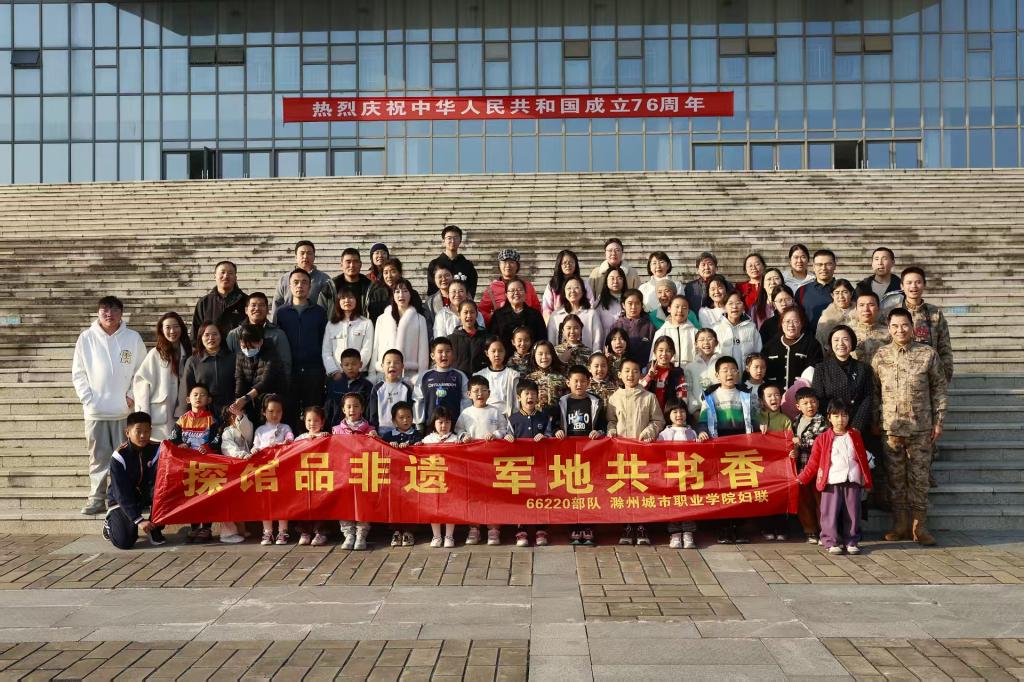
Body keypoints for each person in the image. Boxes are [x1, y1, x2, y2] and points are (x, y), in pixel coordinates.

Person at [872, 307, 948, 546]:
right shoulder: (880, 355)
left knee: (919, 478)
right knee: (895, 479)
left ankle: (919, 527)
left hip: (920, 428)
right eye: (895, 326)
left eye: (904, 325)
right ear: (888, 328)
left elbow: (939, 389)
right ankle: (900, 525)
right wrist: (876, 421)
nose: (900, 330)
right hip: (891, 429)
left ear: (912, 327)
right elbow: (874, 392)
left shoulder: (927, 354)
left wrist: (939, 421)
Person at [73, 296, 147, 515]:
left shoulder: (132, 338)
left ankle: (123, 497)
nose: (109, 314)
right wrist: (88, 399)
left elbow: (142, 370)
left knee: (125, 457)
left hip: (123, 411)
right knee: (98, 457)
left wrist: (132, 395)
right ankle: (96, 498)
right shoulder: (86, 338)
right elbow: (78, 373)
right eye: (105, 309)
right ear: (98, 313)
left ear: (121, 313)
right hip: (95, 411)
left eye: (114, 310)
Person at [696, 356, 759, 544]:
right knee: (722, 488)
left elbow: (753, 420)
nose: (729, 373)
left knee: (740, 488)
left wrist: (760, 428)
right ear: (717, 375)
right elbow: (702, 421)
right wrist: (701, 432)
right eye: (725, 370)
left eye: (733, 370)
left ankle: (738, 529)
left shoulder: (746, 395)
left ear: (738, 373)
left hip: (741, 448)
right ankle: (723, 529)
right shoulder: (710, 396)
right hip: (719, 447)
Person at [797, 400, 873, 555]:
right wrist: (803, 477)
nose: (840, 419)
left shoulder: (855, 436)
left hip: (852, 480)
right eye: (836, 416)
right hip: (831, 482)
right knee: (829, 513)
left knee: (853, 513)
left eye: (844, 415)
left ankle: (851, 541)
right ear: (829, 417)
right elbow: (814, 462)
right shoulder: (823, 438)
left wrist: (867, 480)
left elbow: (862, 459)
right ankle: (830, 541)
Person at [606, 357, 665, 546]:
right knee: (624, 489)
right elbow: (611, 420)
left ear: (641, 374)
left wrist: (648, 432)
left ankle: (642, 525)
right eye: (627, 371)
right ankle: (626, 525)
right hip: (621, 452)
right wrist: (611, 430)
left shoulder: (649, 397)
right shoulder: (614, 398)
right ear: (619, 374)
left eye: (635, 371)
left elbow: (658, 421)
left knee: (642, 488)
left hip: (642, 452)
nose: (630, 375)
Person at [456, 375, 509, 545]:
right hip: (472, 462)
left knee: (493, 494)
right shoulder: (466, 413)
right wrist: (464, 436)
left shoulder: (495, 412)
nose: (480, 394)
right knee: (474, 495)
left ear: (489, 393)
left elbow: (505, 429)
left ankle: (493, 528)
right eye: (476, 391)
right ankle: (474, 528)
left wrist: (495, 434)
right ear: (469, 394)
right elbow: (458, 431)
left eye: (483, 390)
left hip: (492, 461)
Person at [507, 379, 560, 548]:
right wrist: (507, 437)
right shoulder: (513, 419)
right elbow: (506, 435)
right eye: (526, 394)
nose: (530, 397)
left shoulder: (544, 417)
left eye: (533, 394)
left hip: (540, 466)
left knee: (540, 496)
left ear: (538, 397)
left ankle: (541, 529)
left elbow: (550, 435)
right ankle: (521, 529)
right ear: (519, 397)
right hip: (520, 467)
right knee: (521, 497)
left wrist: (545, 437)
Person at [274, 268, 328, 430]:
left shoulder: (319, 312)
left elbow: (324, 341)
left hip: (314, 371)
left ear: (310, 286)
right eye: (296, 282)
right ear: (289, 286)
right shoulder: (281, 313)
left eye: (304, 282)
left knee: (313, 413)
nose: (300, 286)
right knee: (289, 413)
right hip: (289, 372)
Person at [102, 412, 164, 549]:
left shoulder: (159, 449)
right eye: (138, 431)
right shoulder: (119, 456)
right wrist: (138, 520)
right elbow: (121, 493)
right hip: (123, 498)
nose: (143, 435)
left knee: (166, 490)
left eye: (146, 431)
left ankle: (155, 529)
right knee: (125, 542)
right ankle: (109, 523)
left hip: (146, 494)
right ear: (127, 433)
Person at [558, 365, 605, 547]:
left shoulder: (596, 402)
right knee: (571, 491)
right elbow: (554, 424)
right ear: (568, 382)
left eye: (583, 381)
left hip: (590, 454)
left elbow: (603, 425)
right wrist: (556, 432)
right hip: (568, 454)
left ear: (588, 382)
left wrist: (599, 432)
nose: (579, 384)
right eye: (575, 381)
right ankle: (574, 527)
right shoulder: (562, 402)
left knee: (590, 490)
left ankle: (589, 526)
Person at [171, 384, 222, 543]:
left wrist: (208, 447)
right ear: (188, 399)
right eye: (195, 394)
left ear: (209, 400)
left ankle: (206, 528)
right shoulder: (182, 419)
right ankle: (194, 528)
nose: (198, 397)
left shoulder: (211, 419)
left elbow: (218, 439)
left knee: (206, 496)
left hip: (206, 464)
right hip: (188, 465)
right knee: (191, 496)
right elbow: (173, 438)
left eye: (202, 394)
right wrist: (180, 444)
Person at [133, 312, 191, 441]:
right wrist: (143, 415)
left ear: (182, 328)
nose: (172, 331)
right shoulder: (155, 354)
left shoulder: (189, 351)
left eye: (176, 327)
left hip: (185, 409)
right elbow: (142, 383)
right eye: (168, 327)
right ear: (161, 330)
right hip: (162, 412)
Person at [898, 266, 954, 385]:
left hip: (930, 376)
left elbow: (944, 347)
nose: (913, 286)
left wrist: (945, 375)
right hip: (900, 377)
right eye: (909, 283)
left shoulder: (935, 313)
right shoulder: (893, 313)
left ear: (924, 285)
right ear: (902, 286)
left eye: (918, 282)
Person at [812, 325, 874, 434]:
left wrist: (857, 426)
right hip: (831, 427)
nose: (840, 343)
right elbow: (818, 399)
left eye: (845, 339)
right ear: (830, 343)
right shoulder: (821, 368)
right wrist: (834, 423)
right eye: (836, 340)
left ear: (852, 342)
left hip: (857, 426)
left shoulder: (863, 368)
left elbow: (868, 398)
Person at [253, 394, 295, 546]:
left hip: (281, 470)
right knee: (266, 502)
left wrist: (286, 441)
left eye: (278, 411)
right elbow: (255, 447)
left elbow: (290, 439)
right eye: (271, 411)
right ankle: (267, 532)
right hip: (265, 472)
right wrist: (254, 451)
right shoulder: (260, 430)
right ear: (264, 412)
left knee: (282, 501)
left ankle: (283, 532)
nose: (275, 414)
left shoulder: (285, 428)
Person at [789, 386, 828, 544]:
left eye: (813, 402)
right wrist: (793, 450)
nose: (810, 406)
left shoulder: (823, 421)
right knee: (803, 500)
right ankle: (810, 530)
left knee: (821, 500)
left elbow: (821, 443)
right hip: (801, 467)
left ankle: (824, 531)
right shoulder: (796, 421)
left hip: (818, 468)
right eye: (805, 403)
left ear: (818, 403)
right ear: (798, 406)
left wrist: (800, 443)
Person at [371, 278, 429, 385]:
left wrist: (421, 375)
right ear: (393, 295)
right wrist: (372, 374)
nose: (401, 295)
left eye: (405, 291)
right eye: (397, 291)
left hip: (409, 376)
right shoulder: (382, 319)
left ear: (410, 294)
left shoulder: (419, 319)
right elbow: (375, 347)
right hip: (384, 374)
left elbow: (423, 350)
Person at [381, 401, 423, 548]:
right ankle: (396, 530)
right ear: (394, 420)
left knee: (411, 503)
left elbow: (421, 449)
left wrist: (411, 446)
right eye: (401, 417)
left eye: (409, 417)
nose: (406, 420)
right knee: (394, 503)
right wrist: (389, 446)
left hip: (411, 477)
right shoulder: (388, 436)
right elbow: (381, 451)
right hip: (394, 478)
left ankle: (409, 531)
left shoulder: (416, 435)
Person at [659, 398, 698, 550]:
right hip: (672, 476)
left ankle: (688, 532)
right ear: (668, 414)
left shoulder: (692, 432)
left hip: (689, 476)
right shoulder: (664, 434)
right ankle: (675, 533)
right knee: (673, 503)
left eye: (682, 411)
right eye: (675, 412)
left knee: (689, 503)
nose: (679, 415)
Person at [226, 292, 292, 378]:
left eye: (261, 305)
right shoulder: (234, 335)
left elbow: (285, 365)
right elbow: (228, 364)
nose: (257, 308)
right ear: (246, 310)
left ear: (267, 310)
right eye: (253, 305)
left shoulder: (278, 335)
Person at [230, 323, 284, 425]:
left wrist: (246, 398)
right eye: (243, 346)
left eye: (251, 347)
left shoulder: (272, 354)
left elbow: (265, 382)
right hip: (251, 402)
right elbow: (239, 379)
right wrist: (238, 401)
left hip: (270, 400)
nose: (247, 350)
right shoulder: (240, 355)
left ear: (261, 342)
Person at [421, 406, 460, 548]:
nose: (444, 426)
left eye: (447, 422)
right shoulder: (427, 439)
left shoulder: (455, 439)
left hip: (451, 480)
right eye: (440, 422)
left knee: (451, 507)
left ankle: (449, 536)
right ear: (434, 423)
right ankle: (436, 536)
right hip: (433, 479)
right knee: (434, 507)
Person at [180, 321, 235, 419]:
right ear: (200, 338)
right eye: (207, 335)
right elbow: (187, 389)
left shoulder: (233, 358)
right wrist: (186, 416)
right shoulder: (193, 361)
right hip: (202, 414)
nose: (211, 338)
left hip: (230, 411)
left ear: (221, 336)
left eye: (215, 334)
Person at [294, 406, 331, 547]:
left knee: (321, 504)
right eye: (309, 420)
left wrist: (322, 438)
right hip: (304, 477)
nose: (312, 423)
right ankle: (305, 532)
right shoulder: (300, 438)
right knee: (303, 504)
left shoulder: (326, 436)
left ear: (322, 422)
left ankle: (321, 532)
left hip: (321, 477)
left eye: (316, 420)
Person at [415, 337, 470, 429]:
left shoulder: (460, 376)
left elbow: (466, 401)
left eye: (448, 351)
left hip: (455, 427)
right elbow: (418, 401)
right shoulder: (425, 376)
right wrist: (419, 425)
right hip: (430, 427)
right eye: (440, 352)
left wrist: (464, 424)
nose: (444, 355)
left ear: (452, 354)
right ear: (432, 356)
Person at [217, 405, 253, 544]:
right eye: (235, 415)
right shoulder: (227, 432)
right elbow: (228, 448)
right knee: (229, 501)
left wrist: (240, 416)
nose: (239, 416)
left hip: (244, 470)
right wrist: (242, 455)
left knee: (241, 502)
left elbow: (247, 430)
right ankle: (227, 533)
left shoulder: (245, 429)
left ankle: (240, 529)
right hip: (232, 471)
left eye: (242, 413)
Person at [763, 306, 823, 390]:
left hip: (801, 395)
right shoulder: (770, 346)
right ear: (782, 323)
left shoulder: (812, 345)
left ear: (801, 323)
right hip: (775, 395)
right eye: (787, 321)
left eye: (795, 321)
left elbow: (816, 371)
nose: (791, 325)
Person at [272, 240, 335, 317]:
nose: (305, 256)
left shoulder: (324, 279)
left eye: (309, 253)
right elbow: (277, 304)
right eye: (302, 253)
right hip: (287, 322)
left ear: (314, 257)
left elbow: (330, 306)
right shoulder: (284, 279)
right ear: (296, 257)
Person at [477, 249, 542, 323]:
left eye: (512, 262)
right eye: (504, 262)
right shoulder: (492, 288)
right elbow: (481, 310)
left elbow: (537, 308)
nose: (508, 265)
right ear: (499, 265)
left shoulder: (527, 286)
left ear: (517, 266)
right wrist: (494, 318)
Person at [191, 260, 247, 345]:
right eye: (222, 272)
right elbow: (196, 331)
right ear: (215, 276)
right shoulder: (204, 302)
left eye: (230, 273)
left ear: (236, 278)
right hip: (211, 351)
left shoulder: (246, 301)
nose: (226, 276)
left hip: (238, 351)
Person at [489, 277, 547, 356]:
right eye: (512, 290)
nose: (516, 293)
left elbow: (542, 339)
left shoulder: (535, 314)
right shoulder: (498, 315)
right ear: (506, 294)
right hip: (504, 359)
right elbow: (492, 340)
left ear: (525, 293)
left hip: (531, 358)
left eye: (520, 290)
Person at [547, 275, 604, 351]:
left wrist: (595, 356)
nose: (572, 291)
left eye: (576, 287)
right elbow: (551, 343)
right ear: (564, 292)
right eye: (569, 288)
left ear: (583, 292)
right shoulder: (555, 316)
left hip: (587, 357)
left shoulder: (591, 314)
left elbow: (598, 342)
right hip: (561, 358)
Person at [366, 350, 415, 433]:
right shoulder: (377, 388)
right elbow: (373, 413)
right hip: (382, 432)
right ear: (382, 366)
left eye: (396, 363)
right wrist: (373, 429)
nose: (392, 365)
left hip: (402, 432)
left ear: (402, 366)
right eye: (388, 362)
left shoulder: (406, 388)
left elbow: (411, 411)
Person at [542, 249, 595, 322]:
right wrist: (551, 324)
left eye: (571, 262)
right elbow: (547, 308)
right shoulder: (552, 285)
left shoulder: (583, 283)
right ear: (559, 265)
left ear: (576, 264)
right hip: (558, 323)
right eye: (564, 263)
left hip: (581, 322)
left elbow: (591, 303)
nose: (568, 265)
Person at [714, 291, 763, 370]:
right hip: (727, 373)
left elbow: (758, 350)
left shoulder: (751, 327)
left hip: (747, 373)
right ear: (724, 307)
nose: (734, 306)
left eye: (738, 303)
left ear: (743, 307)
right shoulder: (718, 328)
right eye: (730, 303)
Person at [427, 224, 478, 298]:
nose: (453, 241)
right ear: (443, 241)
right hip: (440, 303)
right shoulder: (434, 264)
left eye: (456, 238)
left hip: (461, 302)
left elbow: (471, 289)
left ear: (460, 241)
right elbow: (431, 289)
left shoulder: (467, 265)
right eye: (449, 238)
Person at [474, 335, 520, 417]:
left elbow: (516, 403)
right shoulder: (479, 375)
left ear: (505, 352)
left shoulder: (513, 375)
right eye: (493, 351)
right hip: (484, 416)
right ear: (487, 353)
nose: (497, 354)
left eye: (500, 351)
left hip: (506, 418)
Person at [641, 337, 687, 411]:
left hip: (669, 413)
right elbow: (639, 390)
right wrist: (649, 377)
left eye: (668, 351)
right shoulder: (645, 370)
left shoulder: (678, 372)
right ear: (654, 352)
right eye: (661, 350)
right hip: (649, 412)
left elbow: (682, 395)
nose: (664, 354)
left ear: (673, 354)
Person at [684, 328, 721, 419]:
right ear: (696, 344)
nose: (706, 342)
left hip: (721, 411)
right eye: (701, 340)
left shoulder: (723, 363)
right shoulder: (690, 367)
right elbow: (688, 391)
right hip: (699, 413)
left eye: (709, 339)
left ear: (716, 342)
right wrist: (695, 411)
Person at [797, 249, 839, 329]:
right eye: (819, 264)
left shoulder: (844, 290)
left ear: (834, 265)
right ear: (814, 267)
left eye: (828, 264)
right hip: (810, 336)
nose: (823, 268)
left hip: (838, 336)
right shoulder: (802, 291)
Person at [651, 295, 697, 367]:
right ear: (669, 309)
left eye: (684, 308)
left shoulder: (694, 332)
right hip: (668, 372)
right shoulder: (661, 332)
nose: (680, 310)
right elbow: (654, 358)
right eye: (677, 307)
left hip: (690, 371)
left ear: (688, 311)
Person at [611, 289, 655, 365]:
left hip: (644, 369)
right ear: (623, 305)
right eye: (630, 303)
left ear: (641, 305)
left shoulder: (650, 326)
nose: (633, 307)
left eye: (637, 303)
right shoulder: (616, 326)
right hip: (621, 369)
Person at [849, 291, 891, 367]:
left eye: (871, 305)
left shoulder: (889, 333)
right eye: (861, 305)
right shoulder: (847, 333)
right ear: (856, 309)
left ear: (878, 308)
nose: (866, 309)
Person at [526, 340, 567, 415]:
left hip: (557, 418)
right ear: (534, 356)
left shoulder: (562, 378)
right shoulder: (529, 379)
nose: (544, 357)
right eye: (540, 354)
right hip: (535, 418)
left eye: (547, 353)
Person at [855, 247, 902, 311]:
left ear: (893, 262)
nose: (880, 263)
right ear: (872, 263)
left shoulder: (901, 287)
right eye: (876, 259)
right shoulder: (862, 287)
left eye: (884, 259)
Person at [327, 248, 373, 313]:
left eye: (355, 262)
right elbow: (321, 312)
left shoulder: (371, 288)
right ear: (341, 265)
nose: (352, 265)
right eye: (348, 262)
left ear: (360, 265)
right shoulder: (330, 287)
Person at [815, 278, 855, 350]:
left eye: (845, 292)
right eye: (837, 293)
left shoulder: (861, 312)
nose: (841, 296)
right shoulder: (826, 317)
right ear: (832, 295)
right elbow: (820, 342)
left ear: (851, 293)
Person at [450, 300, 488, 376]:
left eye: (472, 312)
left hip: (481, 379)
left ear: (477, 315)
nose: (469, 315)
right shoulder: (451, 339)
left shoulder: (487, 337)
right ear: (459, 315)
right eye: (465, 312)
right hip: (459, 379)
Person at [366, 257, 403, 322]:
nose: (389, 276)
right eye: (386, 273)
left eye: (393, 272)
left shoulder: (410, 292)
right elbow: (374, 319)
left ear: (400, 273)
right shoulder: (377, 294)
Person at [595, 266, 627, 331]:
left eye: (619, 278)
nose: (615, 281)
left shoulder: (628, 299)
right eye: (612, 278)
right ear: (606, 281)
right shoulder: (600, 301)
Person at [424, 265, 454, 331]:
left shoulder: (462, 296)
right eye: (439, 277)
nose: (444, 279)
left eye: (447, 275)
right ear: (435, 280)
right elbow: (428, 326)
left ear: (453, 277)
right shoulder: (430, 302)